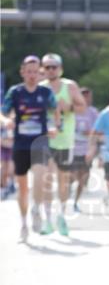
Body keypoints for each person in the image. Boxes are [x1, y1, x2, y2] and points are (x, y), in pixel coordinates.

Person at [2, 56, 57, 241]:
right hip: (21, 144)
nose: (32, 75)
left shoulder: (46, 92)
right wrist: (6, 121)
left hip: (40, 142)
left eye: (35, 72)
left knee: (40, 176)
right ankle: (24, 223)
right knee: (23, 188)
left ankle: (36, 209)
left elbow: (55, 112)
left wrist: (54, 126)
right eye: (29, 72)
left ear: (39, 73)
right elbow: (3, 112)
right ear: (23, 73)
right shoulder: (15, 92)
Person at [40, 52, 86, 236]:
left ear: (60, 69)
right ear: (43, 69)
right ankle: (47, 219)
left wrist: (69, 107)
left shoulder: (70, 86)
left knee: (63, 181)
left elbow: (83, 107)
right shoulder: (40, 87)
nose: (51, 70)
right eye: (47, 67)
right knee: (46, 179)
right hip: (45, 139)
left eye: (54, 67)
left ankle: (61, 217)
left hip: (65, 140)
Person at [71, 88, 98, 213]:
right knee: (70, 176)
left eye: (89, 97)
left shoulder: (93, 112)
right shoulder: (72, 110)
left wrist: (90, 134)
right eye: (84, 97)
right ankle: (65, 199)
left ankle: (75, 202)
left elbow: (98, 131)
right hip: (71, 149)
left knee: (82, 178)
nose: (87, 99)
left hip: (86, 150)